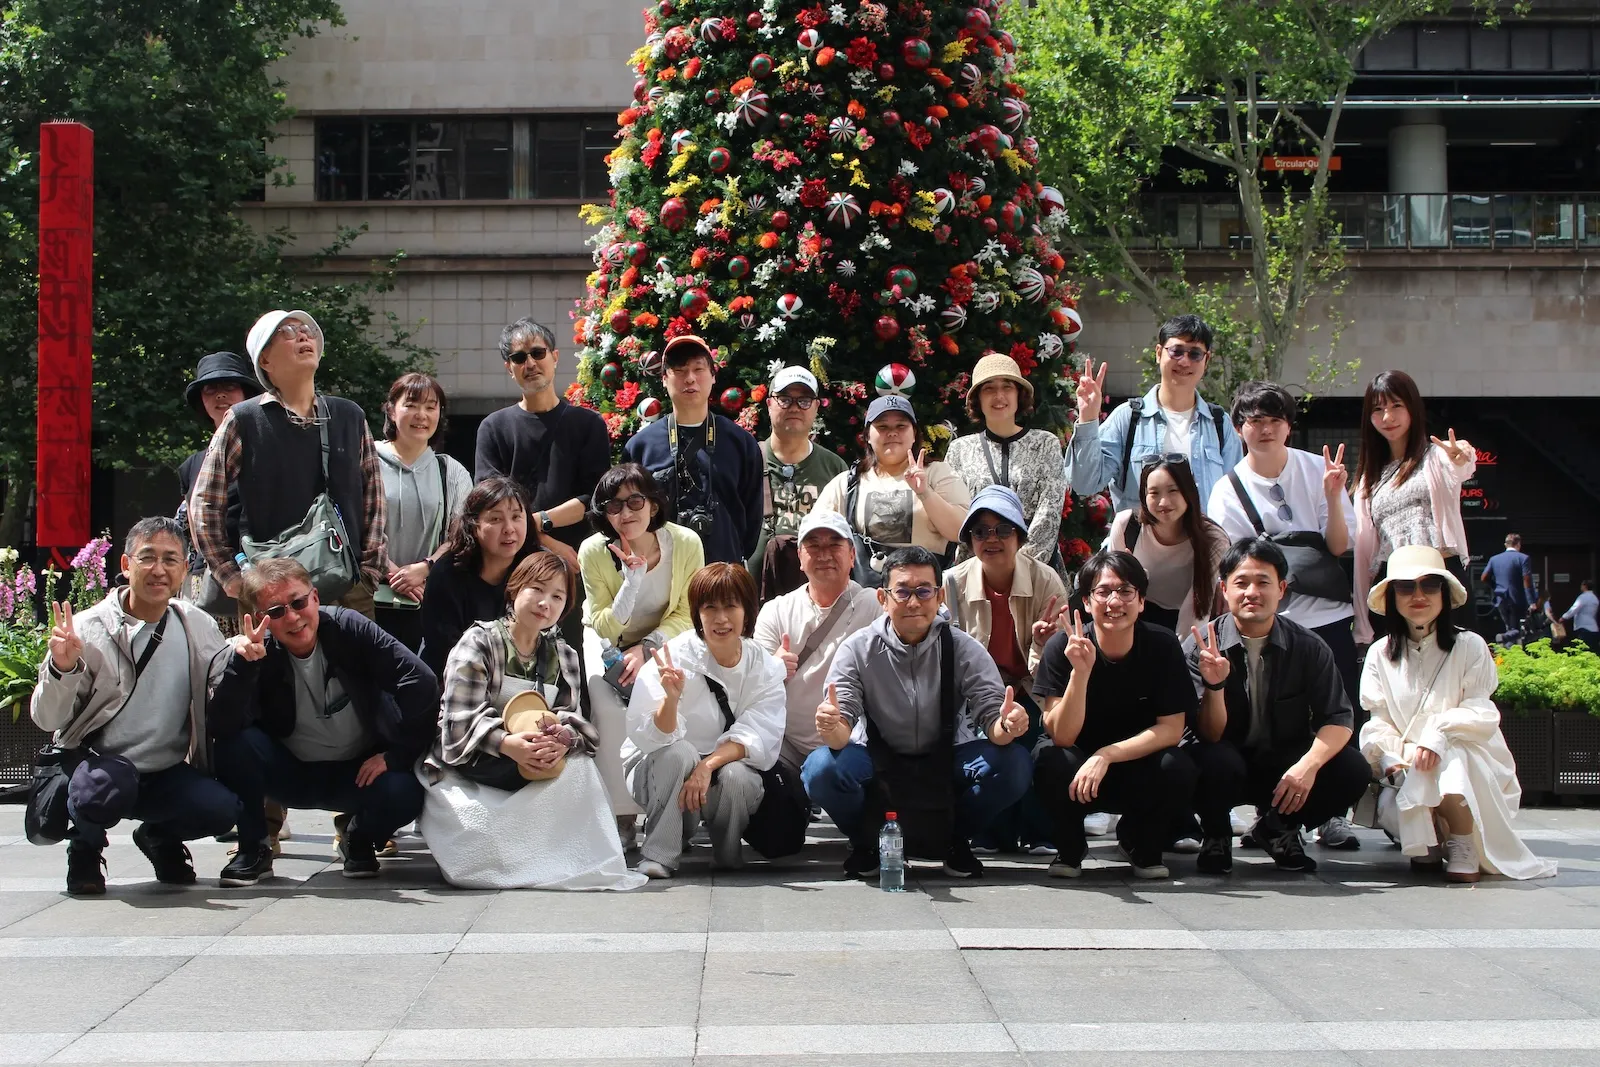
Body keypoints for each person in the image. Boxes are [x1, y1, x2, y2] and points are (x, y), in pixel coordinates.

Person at [30, 518, 244, 896]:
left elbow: (222, 681)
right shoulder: (87, 629)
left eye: (170, 560)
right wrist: (62, 669)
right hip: (99, 768)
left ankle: (159, 836)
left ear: (184, 569)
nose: (159, 570)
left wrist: (244, 657)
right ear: (126, 565)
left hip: (164, 771)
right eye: (148, 558)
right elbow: (47, 719)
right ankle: (85, 848)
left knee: (222, 809)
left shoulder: (196, 625)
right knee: (101, 790)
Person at [421, 552, 644, 890]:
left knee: (581, 768)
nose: (545, 603)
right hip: (475, 765)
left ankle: (571, 860)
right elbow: (457, 722)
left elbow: (573, 717)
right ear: (514, 590)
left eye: (557, 596)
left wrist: (561, 740)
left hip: (534, 765)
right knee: (476, 838)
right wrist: (506, 743)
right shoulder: (479, 642)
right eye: (537, 589)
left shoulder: (563, 654)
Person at [808, 546, 1034, 879]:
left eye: (924, 591)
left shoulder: (963, 648)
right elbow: (842, 727)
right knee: (821, 769)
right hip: (877, 756)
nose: (913, 602)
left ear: (939, 596)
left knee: (1014, 764)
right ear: (883, 598)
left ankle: (955, 840)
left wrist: (1007, 724)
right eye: (902, 592)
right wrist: (831, 726)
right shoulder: (857, 649)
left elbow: (992, 719)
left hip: (947, 755)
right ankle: (866, 842)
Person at [210, 558, 437, 886]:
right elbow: (222, 727)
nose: (292, 617)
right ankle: (253, 848)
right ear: (261, 618)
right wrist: (243, 669)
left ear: (315, 597)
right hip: (289, 773)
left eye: (298, 602)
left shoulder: (350, 627)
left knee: (405, 791)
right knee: (235, 746)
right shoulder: (257, 652)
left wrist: (397, 754)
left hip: (358, 773)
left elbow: (421, 681)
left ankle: (358, 838)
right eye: (276, 611)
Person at [1208, 381, 1362, 850]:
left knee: (1337, 711)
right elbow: (1239, 568)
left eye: (1274, 420)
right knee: (1272, 717)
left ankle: (1330, 817)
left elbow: (1340, 545)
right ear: (1239, 428)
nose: (1265, 429)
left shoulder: (1317, 468)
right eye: (1254, 420)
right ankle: (1270, 815)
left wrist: (1333, 496)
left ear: (1289, 427)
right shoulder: (1227, 489)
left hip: (1326, 615)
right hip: (1269, 624)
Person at [1359, 545, 1557, 881]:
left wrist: (1437, 736)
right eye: (1405, 587)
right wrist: (1392, 755)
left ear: (1444, 593)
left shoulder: (1471, 645)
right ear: (1392, 596)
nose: (1418, 596)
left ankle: (1463, 840)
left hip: (1468, 757)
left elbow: (1480, 710)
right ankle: (1429, 839)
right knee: (1416, 769)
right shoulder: (1380, 653)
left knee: (1451, 755)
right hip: (1408, 760)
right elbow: (1379, 719)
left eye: (1429, 585)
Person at [1184, 539, 1373, 875]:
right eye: (1241, 583)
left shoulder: (1308, 646)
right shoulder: (1201, 646)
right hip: (1224, 763)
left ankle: (1279, 828)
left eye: (1263, 582)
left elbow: (1338, 718)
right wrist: (1214, 686)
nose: (1252, 592)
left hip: (1283, 764)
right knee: (1209, 758)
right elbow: (1207, 733)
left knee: (1352, 768)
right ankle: (1216, 833)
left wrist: (1308, 767)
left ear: (1282, 589)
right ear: (1224, 589)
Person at [189, 309, 387, 618]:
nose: (304, 335)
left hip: (349, 590)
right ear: (265, 360)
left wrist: (369, 573)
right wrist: (229, 575)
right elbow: (205, 503)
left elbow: (374, 500)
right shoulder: (243, 419)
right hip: (273, 599)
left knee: (352, 653)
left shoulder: (350, 416)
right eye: (289, 332)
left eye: (307, 330)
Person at [1031, 550, 1199, 880]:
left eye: (1125, 591)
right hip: (1077, 769)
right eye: (1103, 591)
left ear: (1141, 601)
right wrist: (1080, 673)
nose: (1114, 602)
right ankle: (1070, 847)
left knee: (1177, 765)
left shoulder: (1162, 645)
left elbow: (1171, 729)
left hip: (1136, 762)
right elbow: (1061, 735)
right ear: (1086, 601)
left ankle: (1141, 843)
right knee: (1051, 758)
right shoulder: (1063, 645)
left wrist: (1106, 755)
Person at [624, 564, 786, 877]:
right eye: (710, 607)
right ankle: (659, 853)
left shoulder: (764, 666)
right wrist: (671, 699)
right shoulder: (673, 657)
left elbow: (759, 733)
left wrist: (706, 766)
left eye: (731, 606)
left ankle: (727, 853)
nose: (721, 618)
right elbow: (651, 737)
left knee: (738, 775)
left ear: (747, 612)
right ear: (697, 614)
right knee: (679, 753)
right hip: (660, 766)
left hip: (719, 767)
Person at [580, 463, 706, 843]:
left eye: (635, 501)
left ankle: (671, 805)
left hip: (667, 639)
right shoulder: (593, 551)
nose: (626, 513)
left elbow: (687, 611)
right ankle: (620, 813)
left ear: (653, 504)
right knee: (609, 714)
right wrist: (630, 584)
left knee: (672, 706)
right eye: (613, 506)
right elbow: (603, 624)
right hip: (608, 643)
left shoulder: (686, 543)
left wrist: (648, 647)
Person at [941, 485, 1068, 854]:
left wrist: (1042, 644)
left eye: (1003, 529)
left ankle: (1041, 832)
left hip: (1033, 687)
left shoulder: (1046, 580)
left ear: (1020, 536)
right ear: (969, 540)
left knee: (1041, 749)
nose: (991, 539)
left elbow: (1057, 665)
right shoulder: (952, 583)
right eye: (980, 531)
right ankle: (989, 832)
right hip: (978, 697)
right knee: (991, 753)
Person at [474, 317, 609, 587]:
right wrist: (543, 539)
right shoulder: (493, 427)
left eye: (538, 353)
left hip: (574, 566)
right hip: (511, 567)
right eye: (519, 357)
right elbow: (490, 503)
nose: (530, 363)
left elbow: (595, 497)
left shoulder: (588, 424)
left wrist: (536, 522)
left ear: (555, 357)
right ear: (509, 368)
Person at [1067, 314, 1243, 513]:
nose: (1184, 362)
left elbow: (1235, 499)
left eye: (1195, 354)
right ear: (1159, 353)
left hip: (1205, 533)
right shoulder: (1128, 419)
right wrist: (1088, 419)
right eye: (1176, 351)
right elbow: (1085, 485)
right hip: (1141, 533)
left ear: (1206, 359)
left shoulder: (1219, 424)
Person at [752, 510, 881, 775]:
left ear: (852, 555)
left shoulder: (875, 606)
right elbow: (752, 687)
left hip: (851, 745)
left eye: (834, 545)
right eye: (814, 546)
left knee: (825, 771)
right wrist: (773, 668)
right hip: (784, 745)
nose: (824, 555)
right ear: (800, 557)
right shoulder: (776, 611)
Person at [1352, 369, 1475, 645]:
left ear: (1412, 408)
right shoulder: (1367, 480)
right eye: (1378, 409)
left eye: (1397, 406)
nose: (1387, 417)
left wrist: (1461, 456)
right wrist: (1362, 622)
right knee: (1398, 664)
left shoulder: (1437, 456)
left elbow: (1461, 463)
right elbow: (1363, 554)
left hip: (1439, 575)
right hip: (1394, 582)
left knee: (1459, 658)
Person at [623, 335, 762, 567]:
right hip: (659, 571)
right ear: (664, 379)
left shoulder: (741, 443)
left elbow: (752, 518)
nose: (690, 378)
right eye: (679, 371)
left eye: (699, 369)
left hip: (723, 572)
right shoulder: (641, 446)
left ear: (713, 376)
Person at [813, 395, 970, 585]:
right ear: (867, 436)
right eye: (882, 427)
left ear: (914, 434)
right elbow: (814, 535)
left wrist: (925, 493)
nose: (892, 433)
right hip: (865, 595)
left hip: (925, 592)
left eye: (901, 426)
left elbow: (960, 531)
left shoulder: (938, 473)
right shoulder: (847, 483)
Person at [374, 372, 472, 652]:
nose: (422, 415)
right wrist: (394, 573)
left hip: (428, 599)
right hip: (371, 596)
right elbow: (353, 526)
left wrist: (425, 567)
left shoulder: (451, 471)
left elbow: (461, 534)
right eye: (411, 405)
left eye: (431, 407)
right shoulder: (368, 460)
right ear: (391, 410)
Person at [944, 353, 1067, 565]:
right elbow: (953, 512)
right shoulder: (960, 450)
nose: (999, 395)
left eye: (1007, 387)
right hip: (974, 568)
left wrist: (1020, 567)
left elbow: (1050, 512)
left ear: (1019, 394)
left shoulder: (1045, 444)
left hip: (1035, 568)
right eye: (989, 388)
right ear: (978, 399)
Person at [417, 477, 536, 679]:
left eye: (517, 517)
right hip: (454, 678)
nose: (509, 528)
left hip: (520, 680)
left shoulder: (537, 569)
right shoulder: (447, 573)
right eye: (496, 519)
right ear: (473, 525)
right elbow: (442, 647)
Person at [176, 351, 262, 617]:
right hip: (209, 584)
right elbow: (190, 526)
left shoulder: (267, 450)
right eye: (210, 390)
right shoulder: (192, 464)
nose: (220, 395)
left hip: (263, 575)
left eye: (229, 386)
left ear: (246, 394)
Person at [750, 364, 848, 598]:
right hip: (753, 594)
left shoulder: (835, 468)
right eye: (785, 399)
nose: (794, 407)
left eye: (804, 400)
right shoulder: (747, 460)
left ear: (816, 407)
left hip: (819, 597)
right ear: (769, 404)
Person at [1104, 458, 1227, 636]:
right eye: (1154, 493)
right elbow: (1113, 590)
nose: (1163, 502)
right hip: (1133, 618)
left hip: (1185, 621)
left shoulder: (1213, 539)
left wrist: (1184, 650)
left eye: (1173, 491)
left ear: (1188, 491)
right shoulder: (1126, 526)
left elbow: (1196, 609)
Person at [1481, 534, 1534, 643]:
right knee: (1517, 629)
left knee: (1509, 627)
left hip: (1500, 598)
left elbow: (1484, 577)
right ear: (1518, 544)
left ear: (1506, 544)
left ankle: (1507, 646)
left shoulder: (1494, 559)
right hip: (1517, 599)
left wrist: (1495, 587)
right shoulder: (1523, 558)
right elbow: (1527, 580)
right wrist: (1531, 602)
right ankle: (1504, 638)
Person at [1560, 579, 1599, 648]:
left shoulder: (1583, 597)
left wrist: (1564, 617)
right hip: (1594, 628)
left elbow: (1574, 608)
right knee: (1592, 649)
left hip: (1583, 627)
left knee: (1582, 649)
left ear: (1584, 586)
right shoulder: (1595, 598)